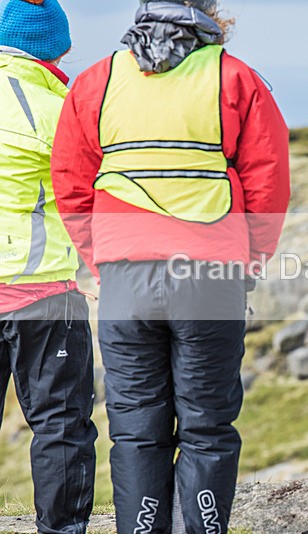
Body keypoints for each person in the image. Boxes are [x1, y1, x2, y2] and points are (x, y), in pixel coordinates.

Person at [50, 1, 290, 531]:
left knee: (136, 430)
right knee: (207, 426)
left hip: (124, 275)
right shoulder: (236, 77)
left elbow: (69, 181)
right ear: (209, 12)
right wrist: (248, 263)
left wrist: (101, 258)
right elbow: (268, 180)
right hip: (211, 275)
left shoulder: (96, 82)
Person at [0, 1, 98, 532]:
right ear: (58, 47)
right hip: (42, 293)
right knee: (61, 427)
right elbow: (94, 194)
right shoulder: (59, 108)